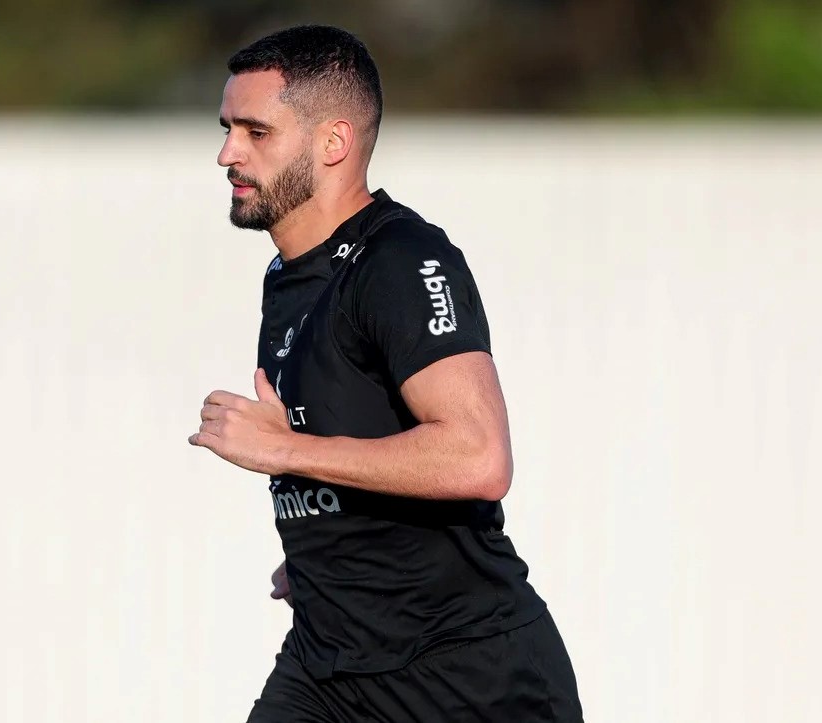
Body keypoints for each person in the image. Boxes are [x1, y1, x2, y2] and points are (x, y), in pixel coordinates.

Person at [188, 24, 584, 723]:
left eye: (256, 131)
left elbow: (478, 454)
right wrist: (325, 551)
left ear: (332, 143)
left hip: (468, 678)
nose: (227, 152)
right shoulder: (287, 276)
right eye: (227, 128)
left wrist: (282, 450)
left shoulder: (400, 260)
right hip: (328, 667)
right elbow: (356, 440)